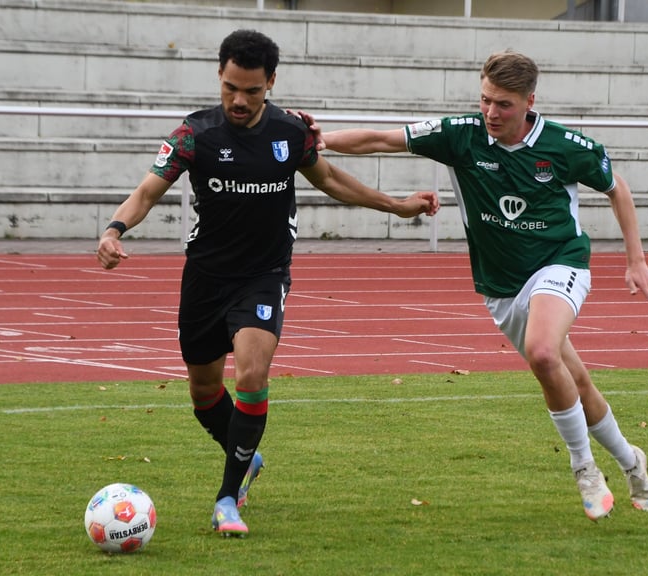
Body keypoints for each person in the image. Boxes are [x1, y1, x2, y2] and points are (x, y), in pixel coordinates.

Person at [95, 29, 439, 537]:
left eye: (252, 90)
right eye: (231, 87)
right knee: (204, 392)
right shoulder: (195, 134)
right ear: (219, 75)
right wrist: (113, 229)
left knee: (252, 376)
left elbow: (332, 180)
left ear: (270, 82)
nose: (239, 99)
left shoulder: (291, 133)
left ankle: (227, 498)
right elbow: (147, 191)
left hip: (264, 276)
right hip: (205, 278)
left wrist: (397, 205)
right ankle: (248, 457)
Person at [309, 50, 648, 521]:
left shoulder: (566, 146)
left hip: (560, 263)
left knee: (543, 352)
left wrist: (636, 260)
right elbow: (381, 138)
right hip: (500, 288)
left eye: (503, 104)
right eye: (484, 100)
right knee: (574, 380)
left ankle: (584, 468)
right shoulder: (461, 136)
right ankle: (632, 464)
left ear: (529, 102)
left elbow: (616, 187)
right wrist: (319, 142)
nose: (490, 113)